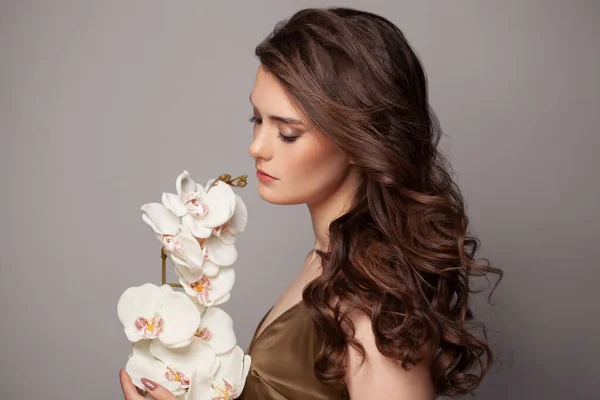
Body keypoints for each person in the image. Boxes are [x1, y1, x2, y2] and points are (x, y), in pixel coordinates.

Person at [120, 6, 502, 400]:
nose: (256, 148)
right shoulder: (329, 261)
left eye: (287, 133)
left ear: (359, 140)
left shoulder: (372, 307)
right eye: (256, 119)